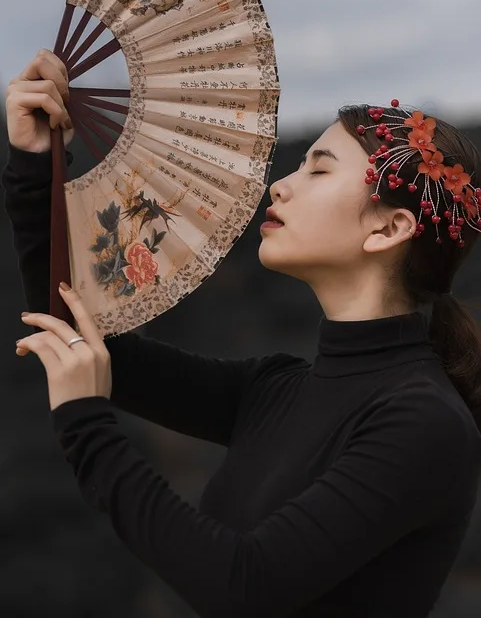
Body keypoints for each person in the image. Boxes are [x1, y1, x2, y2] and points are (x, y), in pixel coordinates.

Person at [2, 49, 481, 618]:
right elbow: (68, 326)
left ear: (389, 228)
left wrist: (87, 432)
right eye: (299, 164)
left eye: (319, 169)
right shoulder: (276, 389)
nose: (281, 185)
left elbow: (245, 586)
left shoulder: (423, 423)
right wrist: (35, 164)